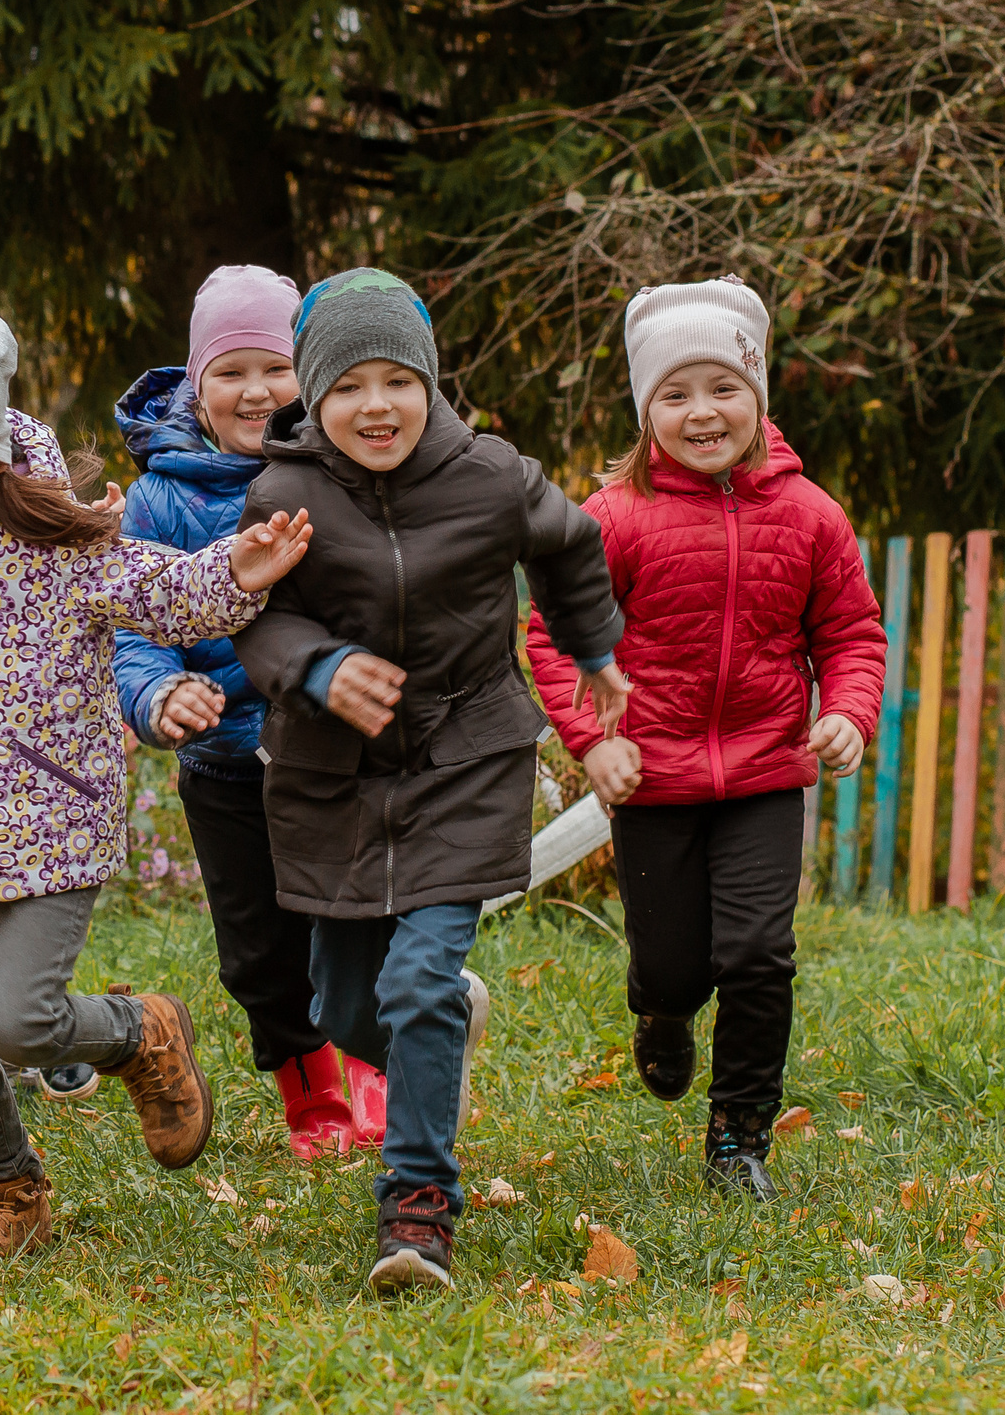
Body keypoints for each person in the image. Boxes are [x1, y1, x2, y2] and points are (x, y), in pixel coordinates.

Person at [0, 300, 313, 1262]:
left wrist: (237, 570)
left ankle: (141, 1031)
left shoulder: (57, 550)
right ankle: (11, 1193)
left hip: (52, 825)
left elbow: (159, 591)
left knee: (17, 1020)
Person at [233, 267, 628, 1292]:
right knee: (340, 1005)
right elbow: (259, 618)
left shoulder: (489, 475)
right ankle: (442, 1018)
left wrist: (592, 651)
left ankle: (416, 1211)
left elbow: (573, 543)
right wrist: (319, 667)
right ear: (314, 397)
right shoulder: (286, 491)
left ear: (432, 384)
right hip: (334, 778)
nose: (376, 405)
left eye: (397, 381)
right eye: (348, 385)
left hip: (464, 757)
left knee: (414, 984)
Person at [527, 277, 885, 1202]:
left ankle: (738, 1137)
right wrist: (589, 738)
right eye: (675, 394)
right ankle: (660, 1009)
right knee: (675, 961)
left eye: (723, 387)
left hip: (767, 771)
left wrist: (847, 711)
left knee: (760, 954)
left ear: (759, 396)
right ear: (647, 410)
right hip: (651, 774)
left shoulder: (812, 516)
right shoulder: (612, 517)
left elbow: (850, 633)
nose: (702, 412)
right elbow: (558, 632)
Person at [113, 264, 378, 1159]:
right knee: (258, 954)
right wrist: (157, 692)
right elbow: (136, 627)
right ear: (196, 382)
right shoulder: (159, 498)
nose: (256, 390)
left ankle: (376, 1070)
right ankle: (312, 1099)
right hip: (224, 764)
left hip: (334, 756)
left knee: (350, 922)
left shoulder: (341, 472)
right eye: (230, 371)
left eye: (275, 366)